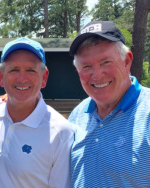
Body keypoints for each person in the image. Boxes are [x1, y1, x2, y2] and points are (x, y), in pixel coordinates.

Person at [0, 37, 74, 188]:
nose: (22, 79)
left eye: (31, 70)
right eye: (14, 70)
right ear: (1, 76)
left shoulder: (61, 131)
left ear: (44, 77)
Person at [68, 20, 150, 187]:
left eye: (106, 62)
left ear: (127, 62)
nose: (97, 75)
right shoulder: (77, 115)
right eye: (86, 66)